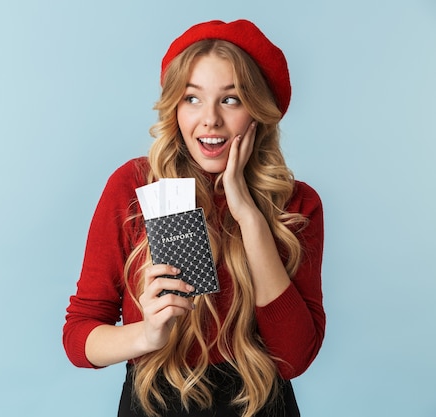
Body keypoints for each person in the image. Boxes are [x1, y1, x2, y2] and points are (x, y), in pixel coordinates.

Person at [63, 19, 325, 417]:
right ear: (175, 107)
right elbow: (79, 337)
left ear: (258, 110)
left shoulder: (297, 204)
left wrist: (249, 216)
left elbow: (295, 357)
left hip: (258, 404)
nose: (210, 120)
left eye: (231, 99)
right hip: (154, 400)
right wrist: (147, 334)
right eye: (193, 98)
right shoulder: (133, 187)